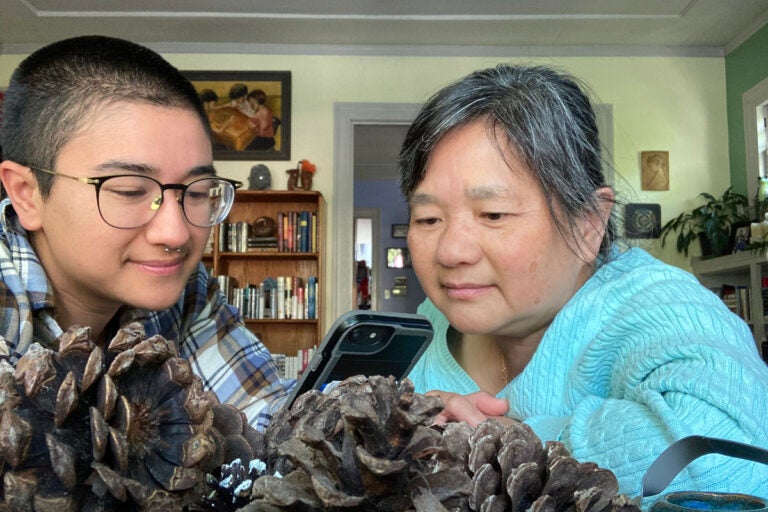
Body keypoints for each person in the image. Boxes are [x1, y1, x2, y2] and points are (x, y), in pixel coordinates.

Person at [398, 64, 768, 500]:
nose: (450, 251)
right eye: (427, 218)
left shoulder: (660, 304)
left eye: (493, 214)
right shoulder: (425, 330)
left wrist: (513, 444)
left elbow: (726, 458)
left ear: (588, 224)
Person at [0, 35, 291, 430]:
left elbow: (266, 421)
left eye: (199, 192)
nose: (176, 235)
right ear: (26, 194)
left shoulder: (182, 290)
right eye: (130, 191)